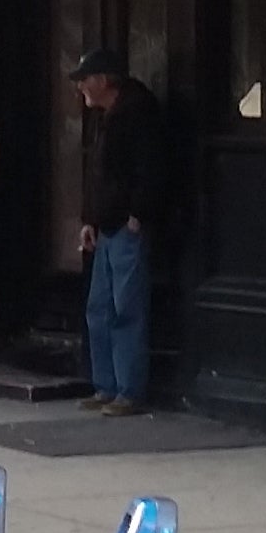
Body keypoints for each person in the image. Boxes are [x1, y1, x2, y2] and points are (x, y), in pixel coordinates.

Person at [70, 49, 174, 415]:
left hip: (125, 226)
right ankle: (106, 385)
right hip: (108, 226)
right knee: (99, 307)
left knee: (124, 308)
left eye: (85, 79)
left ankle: (128, 390)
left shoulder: (135, 114)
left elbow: (150, 170)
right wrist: (91, 219)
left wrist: (137, 215)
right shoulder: (108, 117)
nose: (81, 86)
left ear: (103, 80)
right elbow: (100, 175)